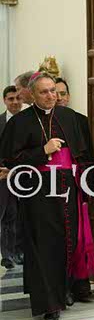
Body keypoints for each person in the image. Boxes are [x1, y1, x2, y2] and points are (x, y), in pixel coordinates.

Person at [0, 73, 94, 320]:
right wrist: (42, 152)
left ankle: (64, 289)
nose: (51, 96)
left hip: (68, 190)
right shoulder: (20, 122)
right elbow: (11, 160)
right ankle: (49, 305)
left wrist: (84, 184)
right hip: (38, 192)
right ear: (32, 95)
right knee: (43, 247)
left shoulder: (69, 117)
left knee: (67, 243)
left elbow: (83, 154)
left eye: (53, 90)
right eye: (44, 92)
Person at [53, 77, 94, 303]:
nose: (59, 97)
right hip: (52, 190)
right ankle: (63, 288)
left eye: (63, 93)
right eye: (55, 93)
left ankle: (80, 286)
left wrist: (89, 185)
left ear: (68, 96)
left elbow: (89, 154)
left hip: (78, 187)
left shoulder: (80, 120)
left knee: (80, 237)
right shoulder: (44, 121)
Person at [0, 86, 27, 270]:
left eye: (18, 98)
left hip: (25, 176)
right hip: (4, 176)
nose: (15, 102)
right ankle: (7, 254)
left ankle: (19, 251)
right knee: (8, 215)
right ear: (4, 101)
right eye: (11, 99)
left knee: (23, 214)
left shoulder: (29, 121)